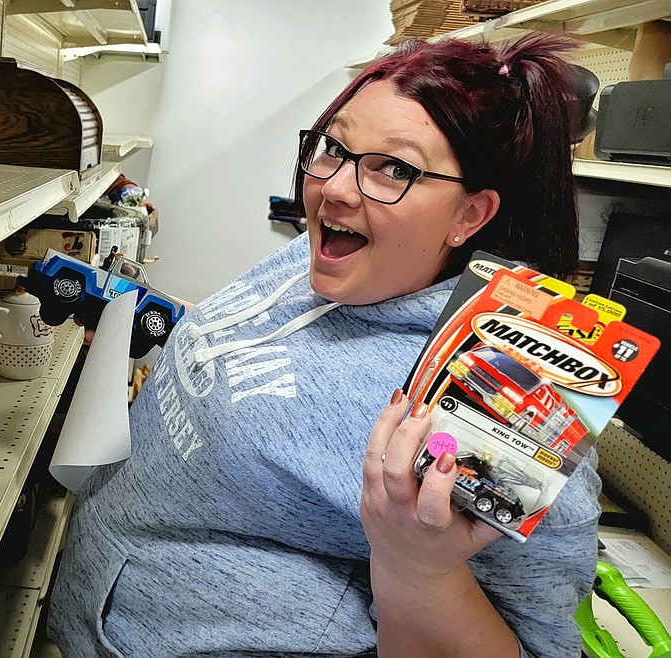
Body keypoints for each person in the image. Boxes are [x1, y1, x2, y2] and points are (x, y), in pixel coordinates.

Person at [48, 32, 599, 658]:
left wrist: (419, 566)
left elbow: (533, 648)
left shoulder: (501, 401)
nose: (334, 188)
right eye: (334, 147)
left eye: (393, 168)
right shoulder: (317, 262)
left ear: (469, 216)